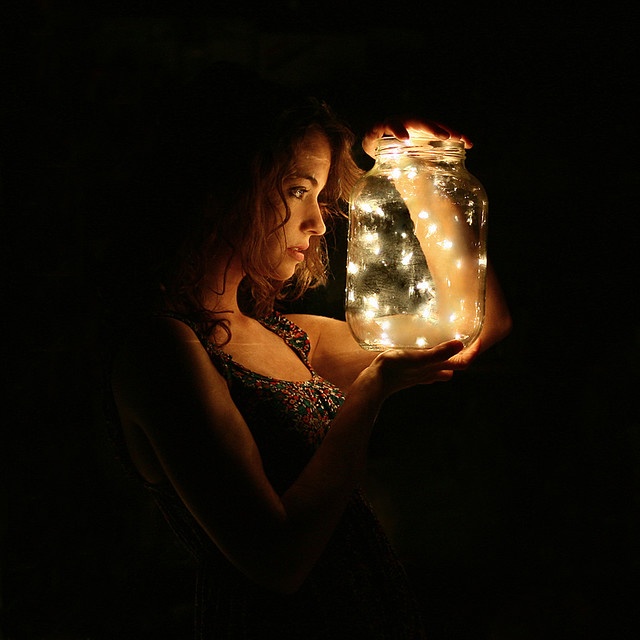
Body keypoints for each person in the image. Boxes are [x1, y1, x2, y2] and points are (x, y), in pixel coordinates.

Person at [100, 62, 511, 639]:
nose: (319, 222)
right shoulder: (162, 350)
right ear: (225, 186)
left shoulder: (294, 337)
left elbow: (472, 325)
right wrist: (372, 391)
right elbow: (277, 560)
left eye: (320, 195)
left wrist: (415, 171)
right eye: (297, 190)